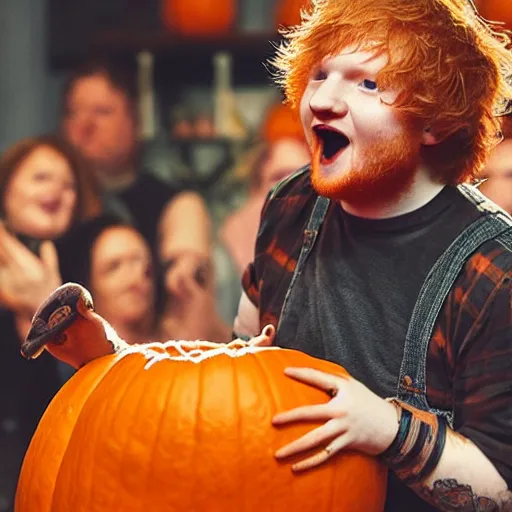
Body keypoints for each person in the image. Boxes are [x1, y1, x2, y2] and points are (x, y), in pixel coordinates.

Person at [234, 0, 512, 510]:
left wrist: (388, 430)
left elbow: (505, 489)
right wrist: (109, 360)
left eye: (367, 84)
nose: (324, 101)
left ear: (435, 123)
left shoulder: (494, 274)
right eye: (319, 75)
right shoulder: (291, 206)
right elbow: (236, 367)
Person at [0, 135, 101, 512]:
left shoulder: (89, 272)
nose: (56, 190)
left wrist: (47, 303)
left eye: (68, 184)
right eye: (41, 177)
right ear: (6, 187)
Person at [60, 59, 213, 307]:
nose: (85, 125)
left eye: (102, 112)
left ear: (135, 122)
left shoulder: (174, 206)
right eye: (73, 112)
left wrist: (187, 260)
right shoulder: (47, 206)